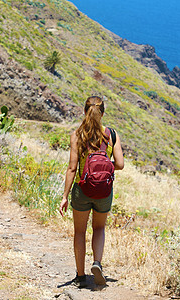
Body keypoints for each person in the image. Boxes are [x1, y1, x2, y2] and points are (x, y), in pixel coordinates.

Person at [59, 96, 124, 288]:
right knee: (99, 228)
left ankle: (80, 276)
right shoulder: (111, 134)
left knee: (79, 231)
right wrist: (104, 166)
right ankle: (97, 263)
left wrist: (64, 196)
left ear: (84, 112)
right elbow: (120, 164)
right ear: (102, 113)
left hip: (82, 189)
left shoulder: (78, 135)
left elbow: (72, 168)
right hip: (104, 191)